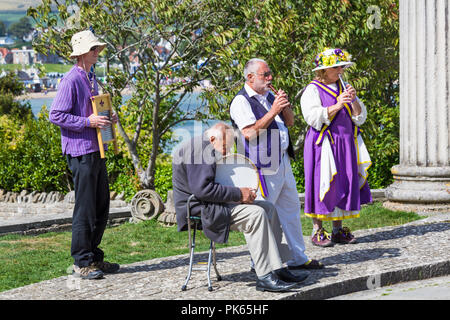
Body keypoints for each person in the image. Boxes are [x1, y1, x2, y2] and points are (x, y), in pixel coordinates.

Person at [172, 122, 310, 292]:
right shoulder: (200, 150)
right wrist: (239, 194)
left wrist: (240, 194)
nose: (225, 152)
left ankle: (277, 268)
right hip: (200, 209)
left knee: (268, 208)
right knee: (256, 214)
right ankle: (265, 276)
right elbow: (203, 190)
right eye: (224, 147)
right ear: (213, 138)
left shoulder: (205, 145)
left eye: (228, 148)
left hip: (211, 203)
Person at [229, 58, 323, 270]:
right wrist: (273, 111)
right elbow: (249, 133)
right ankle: (261, 264)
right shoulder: (241, 101)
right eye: (266, 75)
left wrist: (284, 105)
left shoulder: (269, 96)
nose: (270, 78)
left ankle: (298, 258)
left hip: (282, 160)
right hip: (262, 166)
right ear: (250, 77)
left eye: (270, 73)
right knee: (265, 215)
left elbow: (289, 122)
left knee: (290, 210)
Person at [49, 30, 119, 279]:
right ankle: (81, 262)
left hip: (96, 149)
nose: (97, 52)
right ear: (81, 54)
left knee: (101, 207)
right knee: (86, 208)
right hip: (80, 152)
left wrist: (109, 117)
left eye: (97, 48)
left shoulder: (91, 77)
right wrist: (88, 122)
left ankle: (94, 258)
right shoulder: (71, 80)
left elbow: (96, 111)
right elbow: (55, 115)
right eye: (93, 49)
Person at [300, 48, 372, 247]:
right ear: (324, 70)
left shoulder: (345, 87)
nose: (341, 70)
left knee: (342, 182)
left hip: (345, 142)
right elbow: (313, 118)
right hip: (323, 143)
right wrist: (339, 104)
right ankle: (317, 230)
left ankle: (338, 230)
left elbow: (360, 118)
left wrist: (354, 99)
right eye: (337, 67)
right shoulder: (312, 89)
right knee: (321, 182)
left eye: (342, 67)